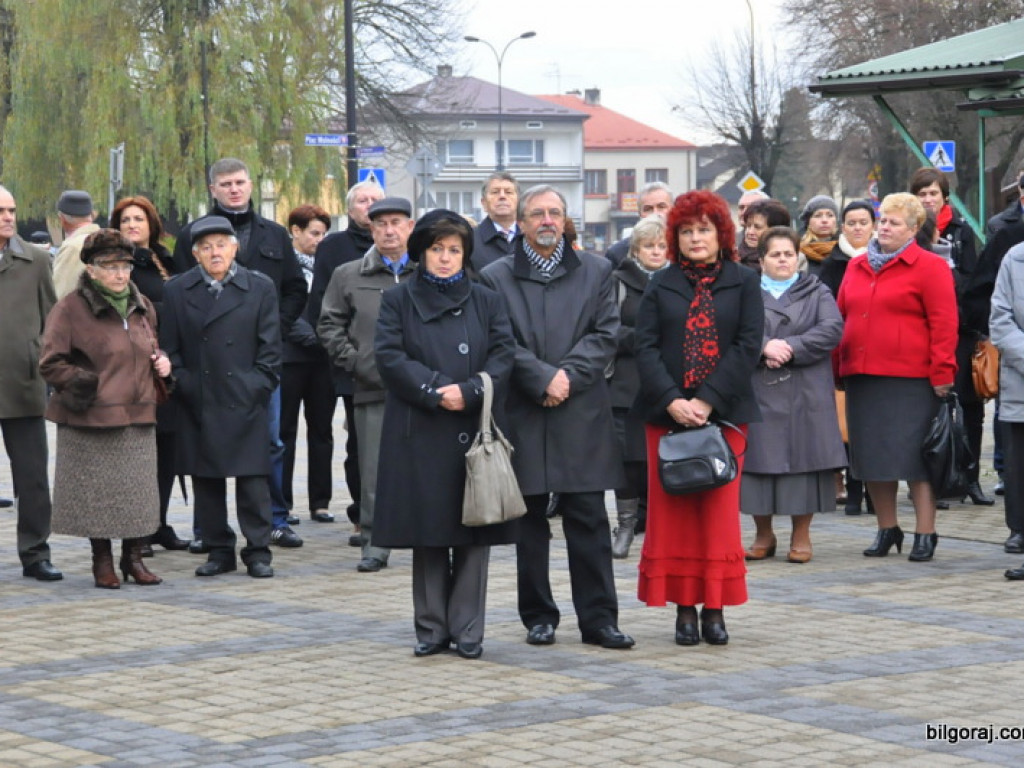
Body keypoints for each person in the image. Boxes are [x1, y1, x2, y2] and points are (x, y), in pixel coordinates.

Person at [480, 184, 634, 650]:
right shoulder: (494, 276)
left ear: (565, 220)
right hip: (524, 411)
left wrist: (566, 377)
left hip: (580, 412)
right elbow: (498, 340)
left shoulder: (597, 270)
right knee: (529, 523)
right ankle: (538, 616)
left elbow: (605, 334)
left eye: (554, 213)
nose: (547, 220)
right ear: (521, 223)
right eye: (537, 213)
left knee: (588, 519)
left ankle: (599, 620)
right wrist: (541, 378)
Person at [372, 210, 517, 658]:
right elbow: (389, 356)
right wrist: (434, 391)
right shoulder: (398, 299)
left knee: (475, 529)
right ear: (421, 251)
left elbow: (504, 353)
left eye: (455, 249)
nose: (445, 257)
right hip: (421, 427)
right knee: (429, 530)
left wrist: (470, 391)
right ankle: (432, 628)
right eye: (437, 248)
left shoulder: (486, 298)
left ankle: (468, 630)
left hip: (474, 427)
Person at [632, 189, 763, 646]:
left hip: (724, 417)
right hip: (666, 417)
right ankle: (684, 610)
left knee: (717, 516)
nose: (695, 238)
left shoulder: (745, 281)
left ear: (720, 233)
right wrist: (672, 400)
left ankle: (715, 608)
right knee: (674, 517)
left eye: (703, 229)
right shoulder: (660, 283)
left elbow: (748, 345)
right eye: (686, 231)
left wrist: (707, 400)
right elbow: (644, 347)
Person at [174, 157, 305, 549]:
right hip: (207, 366)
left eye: (240, 182)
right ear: (213, 189)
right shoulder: (192, 234)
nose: (234, 189)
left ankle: (275, 520)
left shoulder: (274, 233)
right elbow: (182, 293)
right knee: (204, 449)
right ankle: (207, 532)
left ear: (250, 184)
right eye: (226, 183)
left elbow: (294, 288)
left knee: (270, 443)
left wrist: (274, 330)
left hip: (257, 362)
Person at [40, 229, 169, 588]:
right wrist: (88, 384)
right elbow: (50, 362)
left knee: (137, 497)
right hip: (91, 417)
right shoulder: (69, 308)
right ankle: (102, 560)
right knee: (97, 498)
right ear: (91, 270)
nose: (119, 274)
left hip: (138, 415)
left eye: (124, 266)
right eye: (110, 267)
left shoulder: (142, 305)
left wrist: (161, 362)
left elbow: (148, 346)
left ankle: (134, 558)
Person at [836, 193, 958, 563]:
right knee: (872, 458)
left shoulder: (930, 267)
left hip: (912, 379)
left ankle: (925, 531)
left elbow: (944, 324)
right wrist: (836, 367)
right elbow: (840, 317)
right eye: (883, 221)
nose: (885, 228)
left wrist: (942, 372)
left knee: (917, 460)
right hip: (862, 375)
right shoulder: (856, 266)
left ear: (913, 229)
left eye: (894, 223)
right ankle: (887, 528)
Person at [160, 216, 280, 579]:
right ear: (195, 253)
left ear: (235, 248)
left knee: (253, 481)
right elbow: (170, 347)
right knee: (207, 480)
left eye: (222, 245)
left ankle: (258, 551)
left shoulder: (260, 287)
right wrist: (185, 383)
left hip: (245, 396)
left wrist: (256, 385)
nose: (215, 253)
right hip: (200, 397)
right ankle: (219, 550)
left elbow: (271, 348)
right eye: (207, 247)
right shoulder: (177, 290)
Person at [318, 197, 417, 572]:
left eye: (396, 222)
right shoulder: (348, 274)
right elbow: (329, 324)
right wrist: (357, 362)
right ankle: (375, 543)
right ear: (371, 229)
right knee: (374, 470)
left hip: (425, 387)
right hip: (372, 386)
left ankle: (430, 536)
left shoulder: (427, 270)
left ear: (410, 227)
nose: (389, 230)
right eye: (381, 224)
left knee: (427, 466)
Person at [740, 227, 845, 564]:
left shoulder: (816, 290)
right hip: (758, 387)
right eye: (775, 254)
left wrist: (790, 347)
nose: (783, 260)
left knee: (804, 463)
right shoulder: (746, 291)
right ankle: (763, 534)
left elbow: (831, 328)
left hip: (805, 389)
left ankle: (801, 535)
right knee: (758, 463)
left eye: (788, 254)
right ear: (762, 260)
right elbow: (731, 330)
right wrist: (763, 347)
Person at [110, 195, 190, 553]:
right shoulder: (117, 264)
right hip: (133, 368)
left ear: (151, 224)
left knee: (167, 448)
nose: (132, 225)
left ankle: (159, 522)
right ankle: (137, 530)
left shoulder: (165, 259)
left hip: (167, 365)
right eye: (125, 220)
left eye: (138, 219)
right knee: (139, 452)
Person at [910, 167, 992, 507]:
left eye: (934, 193)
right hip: (923, 333)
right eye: (922, 194)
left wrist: (948, 275)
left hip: (960, 329)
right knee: (929, 408)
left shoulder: (961, 230)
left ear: (945, 197)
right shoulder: (908, 230)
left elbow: (974, 279)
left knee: (969, 407)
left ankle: (971, 478)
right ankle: (934, 480)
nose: (928, 199)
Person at [310, 180, 384, 546]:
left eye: (375, 200)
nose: (368, 205)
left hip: (400, 367)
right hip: (354, 366)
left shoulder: (404, 249)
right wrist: (349, 358)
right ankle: (361, 514)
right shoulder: (334, 248)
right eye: (362, 200)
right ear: (350, 208)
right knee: (359, 444)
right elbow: (322, 308)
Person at [0, 185, 62, 581]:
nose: (9, 217)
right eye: (1, 211)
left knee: (33, 477)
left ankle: (36, 553)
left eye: (12, 210)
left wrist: (40, 362)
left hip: (22, 384)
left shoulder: (36, 260)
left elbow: (51, 321)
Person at [608, 216, 671, 559]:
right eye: (649, 246)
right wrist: (646, 340)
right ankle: (626, 526)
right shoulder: (617, 281)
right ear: (635, 250)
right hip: (626, 385)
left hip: (667, 384)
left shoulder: (678, 281)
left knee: (664, 461)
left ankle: (663, 530)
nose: (656, 252)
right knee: (628, 462)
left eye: (662, 246)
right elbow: (607, 330)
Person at [819, 200, 876, 515]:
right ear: (843, 227)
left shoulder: (883, 258)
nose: (857, 228)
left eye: (863, 222)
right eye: (851, 223)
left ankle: (876, 491)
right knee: (848, 425)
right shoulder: (833, 263)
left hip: (878, 352)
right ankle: (853, 489)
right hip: (845, 349)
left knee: (875, 426)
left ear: (873, 226)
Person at [281, 204, 336, 524]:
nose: (320, 240)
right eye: (314, 233)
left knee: (322, 431)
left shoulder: (328, 266)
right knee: (285, 431)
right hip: (290, 356)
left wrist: (323, 338)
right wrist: (302, 332)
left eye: (324, 234)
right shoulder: (285, 264)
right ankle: (283, 504)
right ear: (296, 231)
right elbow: (280, 304)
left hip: (323, 358)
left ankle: (320, 502)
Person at [989, 241, 1024, 580]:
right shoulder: (1015, 258)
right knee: (1019, 467)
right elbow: (1000, 319)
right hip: (1020, 383)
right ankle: (1019, 529)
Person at [605, 182, 675, 267]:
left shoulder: (684, 248)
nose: (655, 213)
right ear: (639, 213)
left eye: (661, 207)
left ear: (673, 209)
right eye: (648, 209)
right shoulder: (617, 254)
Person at [51, 190, 100, 299]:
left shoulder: (74, 247)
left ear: (62, 219)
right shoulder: (106, 240)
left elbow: (61, 294)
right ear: (91, 215)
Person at [472, 172, 520, 271]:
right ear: (484, 203)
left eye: (508, 192)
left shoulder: (531, 238)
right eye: (495, 192)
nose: (502, 196)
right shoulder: (470, 239)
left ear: (519, 201)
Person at [736, 198, 791, 271]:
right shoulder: (731, 259)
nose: (750, 232)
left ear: (775, 231)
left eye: (757, 227)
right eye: (748, 226)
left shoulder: (791, 261)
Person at [798, 195, 839, 276]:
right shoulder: (798, 253)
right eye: (818, 216)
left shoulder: (845, 250)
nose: (824, 220)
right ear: (808, 222)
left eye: (830, 215)